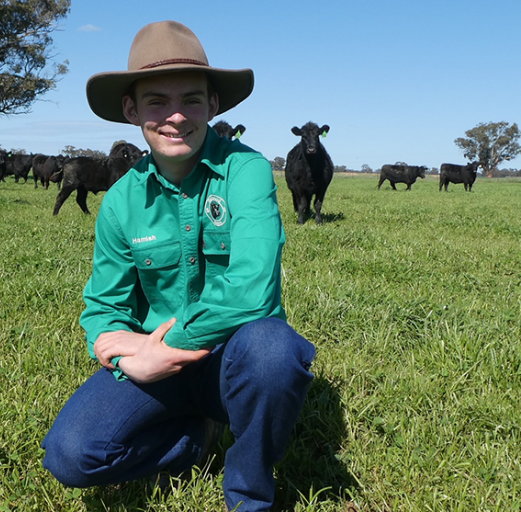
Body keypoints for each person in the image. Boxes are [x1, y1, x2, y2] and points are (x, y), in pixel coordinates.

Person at [40, 20, 316, 512]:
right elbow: (104, 307)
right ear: (131, 110)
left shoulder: (246, 170)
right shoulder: (121, 201)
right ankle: (191, 440)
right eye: (155, 102)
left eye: (191, 99)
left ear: (213, 105)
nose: (175, 117)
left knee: (274, 351)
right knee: (70, 455)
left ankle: (250, 491)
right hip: (154, 369)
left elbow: (253, 289)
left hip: (232, 358)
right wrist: (116, 350)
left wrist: (160, 348)